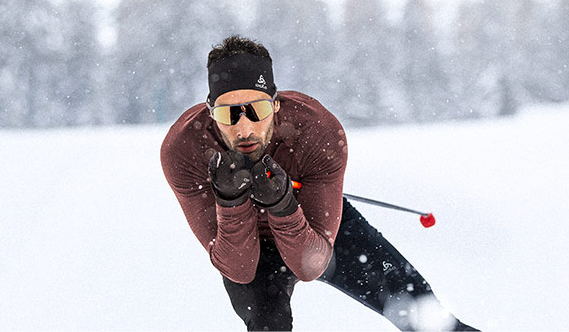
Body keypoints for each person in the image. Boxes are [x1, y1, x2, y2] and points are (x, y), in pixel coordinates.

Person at [161, 35, 479, 331]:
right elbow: (240, 269)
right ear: (210, 112)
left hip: (313, 223)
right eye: (229, 114)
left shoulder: (316, 131)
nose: (244, 128)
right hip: (246, 245)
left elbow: (311, 264)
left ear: (275, 105)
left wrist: (283, 205)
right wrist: (230, 202)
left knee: (428, 319)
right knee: (268, 323)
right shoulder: (184, 150)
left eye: (256, 110)